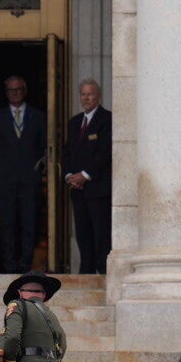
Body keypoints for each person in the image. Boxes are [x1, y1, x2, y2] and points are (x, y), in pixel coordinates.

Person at [0, 76, 47, 274]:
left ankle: (26, 264)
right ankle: (9, 265)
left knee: (29, 223)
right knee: (8, 225)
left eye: (18, 89)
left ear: (25, 91)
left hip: (30, 180)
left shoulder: (38, 116)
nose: (14, 93)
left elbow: (43, 149)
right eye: (11, 90)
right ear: (6, 93)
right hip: (5, 180)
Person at [62, 79, 111, 275]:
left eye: (90, 94)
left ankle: (102, 271)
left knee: (100, 233)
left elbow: (104, 153)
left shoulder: (107, 119)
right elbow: (66, 153)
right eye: (83, 94)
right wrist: (69, 176)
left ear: (98, 96)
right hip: (78, 190)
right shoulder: (74, 122)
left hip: (97, 189)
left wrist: (85, 175)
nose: (86, 98)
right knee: (83, 234)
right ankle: (87, 272)